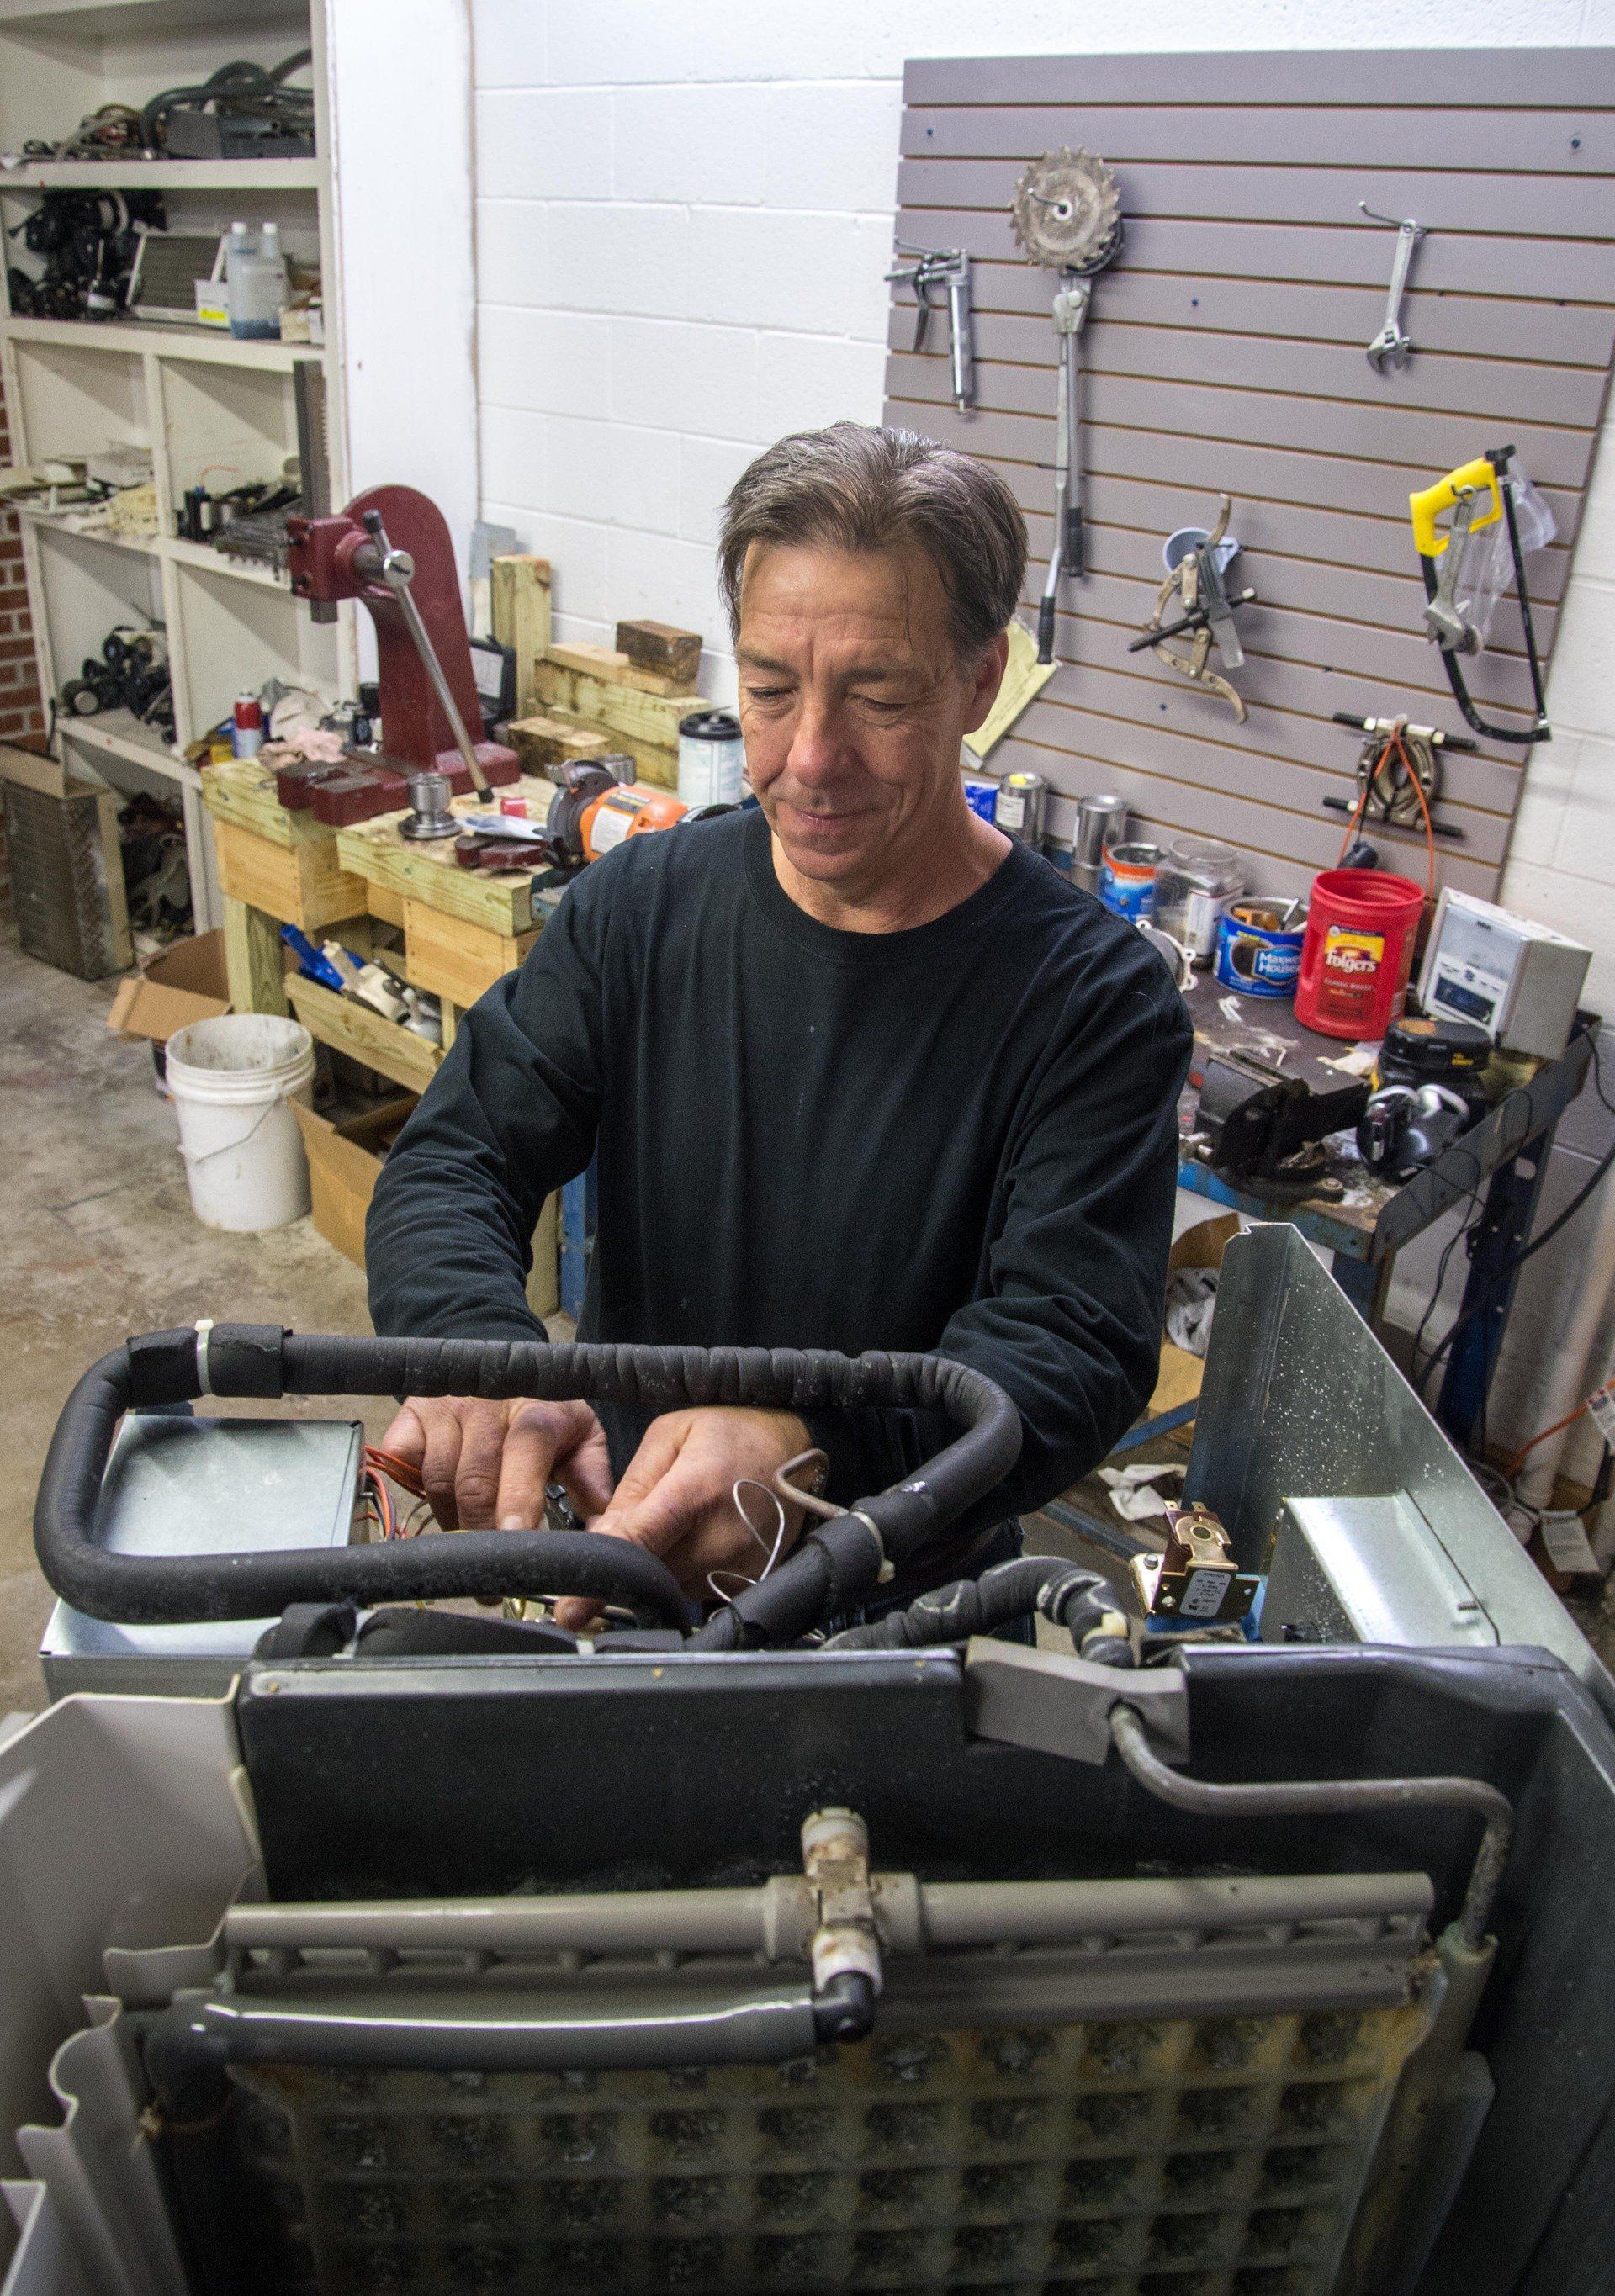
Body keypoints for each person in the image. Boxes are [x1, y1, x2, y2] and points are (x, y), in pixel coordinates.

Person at [365, 421, 1192, 1629]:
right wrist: (491, 1363)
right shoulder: (638, 911)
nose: (810, 757)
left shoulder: (1094, 1001)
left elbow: (1068, 1341)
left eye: (880, 695)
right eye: (767, 689)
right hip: (632, 1562)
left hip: (911, 1610)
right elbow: (454, 1155)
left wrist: (812, 1445)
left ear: (979, 681)